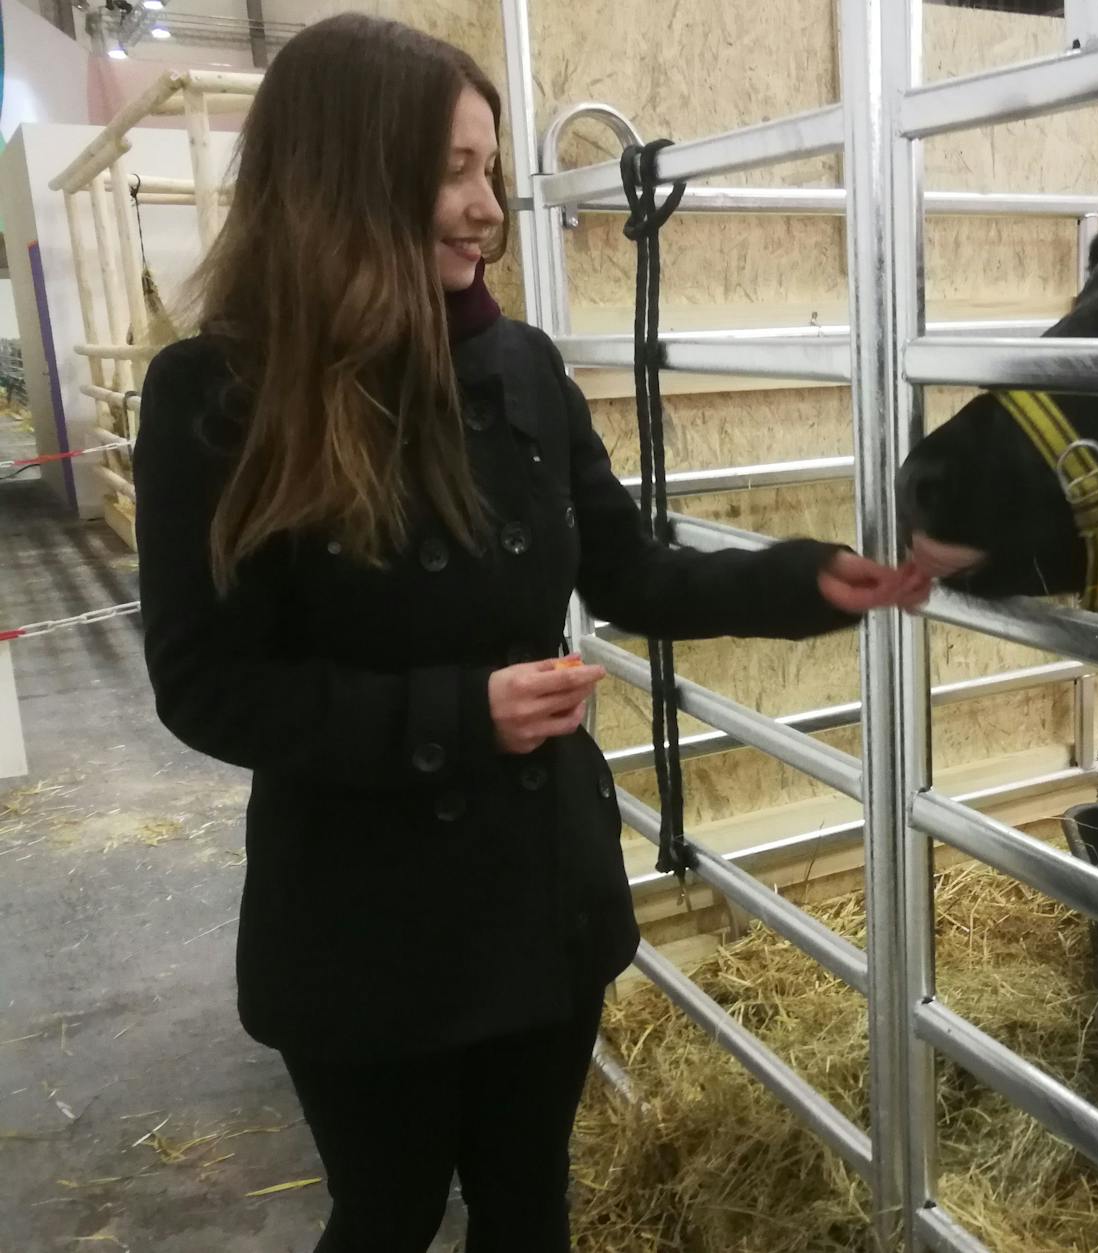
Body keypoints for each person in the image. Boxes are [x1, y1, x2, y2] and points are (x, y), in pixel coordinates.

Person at [131, 14, 927, 1251]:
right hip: (361, 921)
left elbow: (631, 570)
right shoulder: (220, 395)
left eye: (487, 169)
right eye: (452, 169)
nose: (487, 205)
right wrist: (461, 714)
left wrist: (813, 579)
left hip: (537, 893)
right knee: (386, 1210)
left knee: (529, 1203)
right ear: (348, 170)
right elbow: (207, 684)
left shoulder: (522, 368)